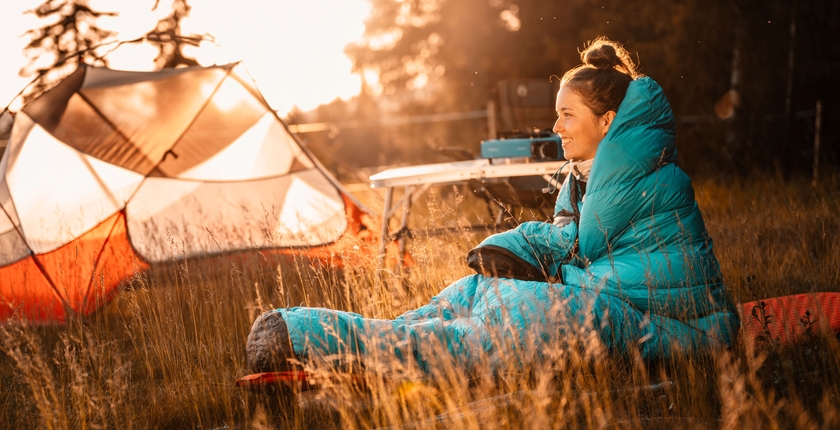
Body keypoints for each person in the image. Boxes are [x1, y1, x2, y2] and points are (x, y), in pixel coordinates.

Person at [245, 38, 740, 376]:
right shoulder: (586, 179)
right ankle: (324, 336)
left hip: (678, 324)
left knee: (503, 322)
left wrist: (524, 244)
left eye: (567, 115)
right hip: (611, 302)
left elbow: (592, 253)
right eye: (556, 115)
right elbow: (578, 246)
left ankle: (309, 336)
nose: (557, 128)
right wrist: (525, 254)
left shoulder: (644, 177)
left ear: (608, 121)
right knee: (473, 291)